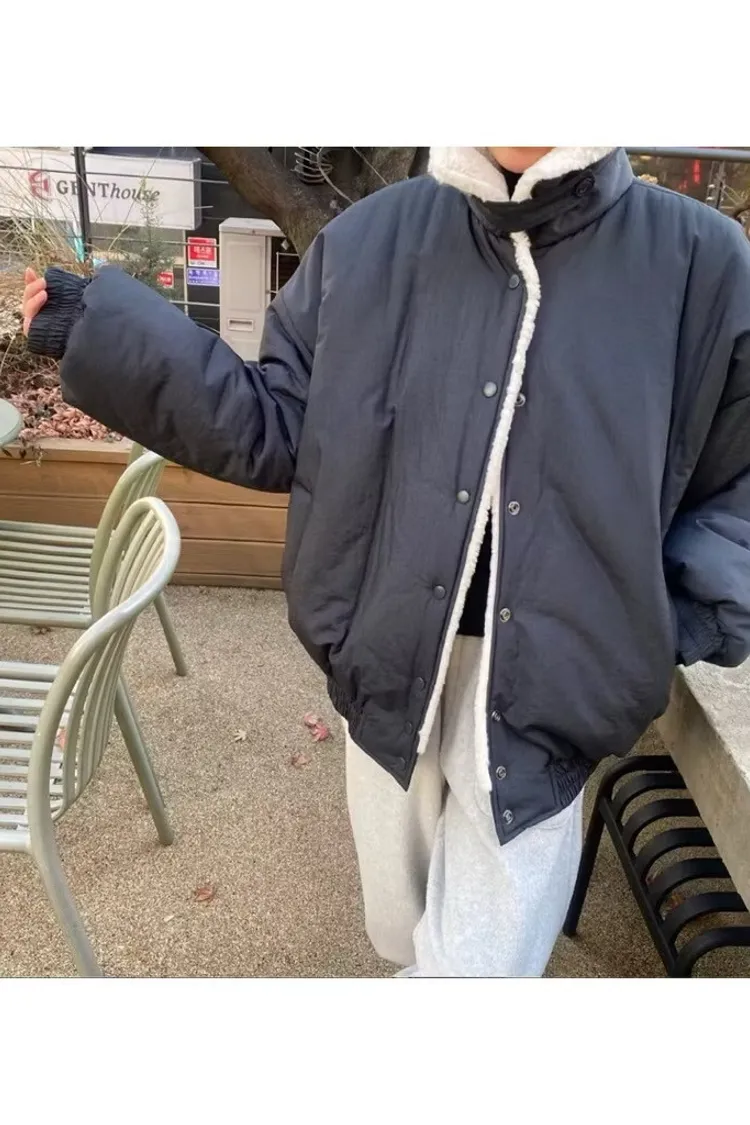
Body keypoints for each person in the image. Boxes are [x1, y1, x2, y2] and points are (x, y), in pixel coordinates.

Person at [22, 146, 750, 977]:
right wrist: (98, 327)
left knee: (475, 971)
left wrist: (659, 625)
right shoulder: (369, 240)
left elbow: (737, 480)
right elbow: (275, 421)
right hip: (385, 654)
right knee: (400, 933)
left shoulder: (701, 262)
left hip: (560, 685)